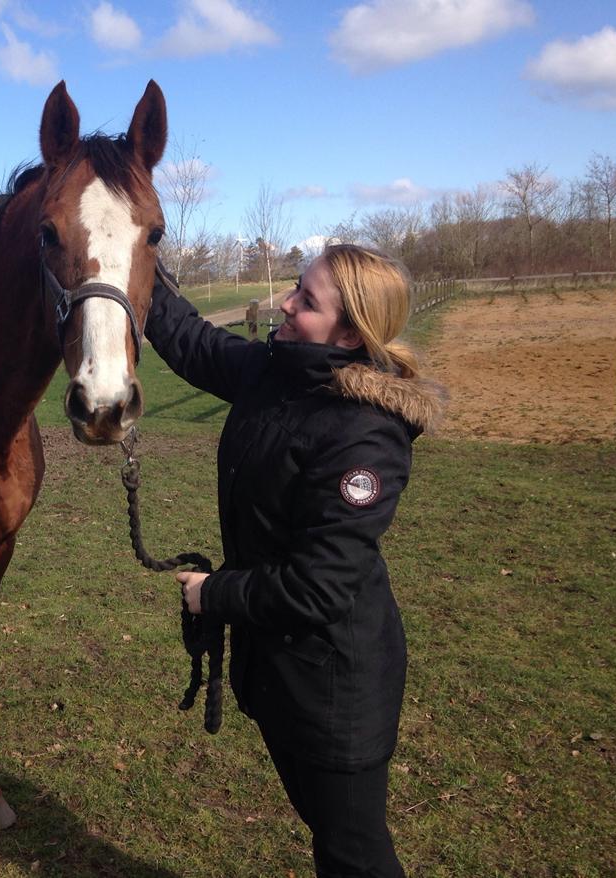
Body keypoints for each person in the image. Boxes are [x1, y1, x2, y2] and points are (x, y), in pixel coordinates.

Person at [146, 244, 444, 877]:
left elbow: (319, 586)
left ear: (350, 333)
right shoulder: (278, 371)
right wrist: (137, 263)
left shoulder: (365, 434)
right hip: (284, 673)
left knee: (354, 855)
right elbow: (194, 343)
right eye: (295, 287)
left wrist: (213, 593)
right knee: (332, 838)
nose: (285, 303)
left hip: (334, 688)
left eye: (306, 301)